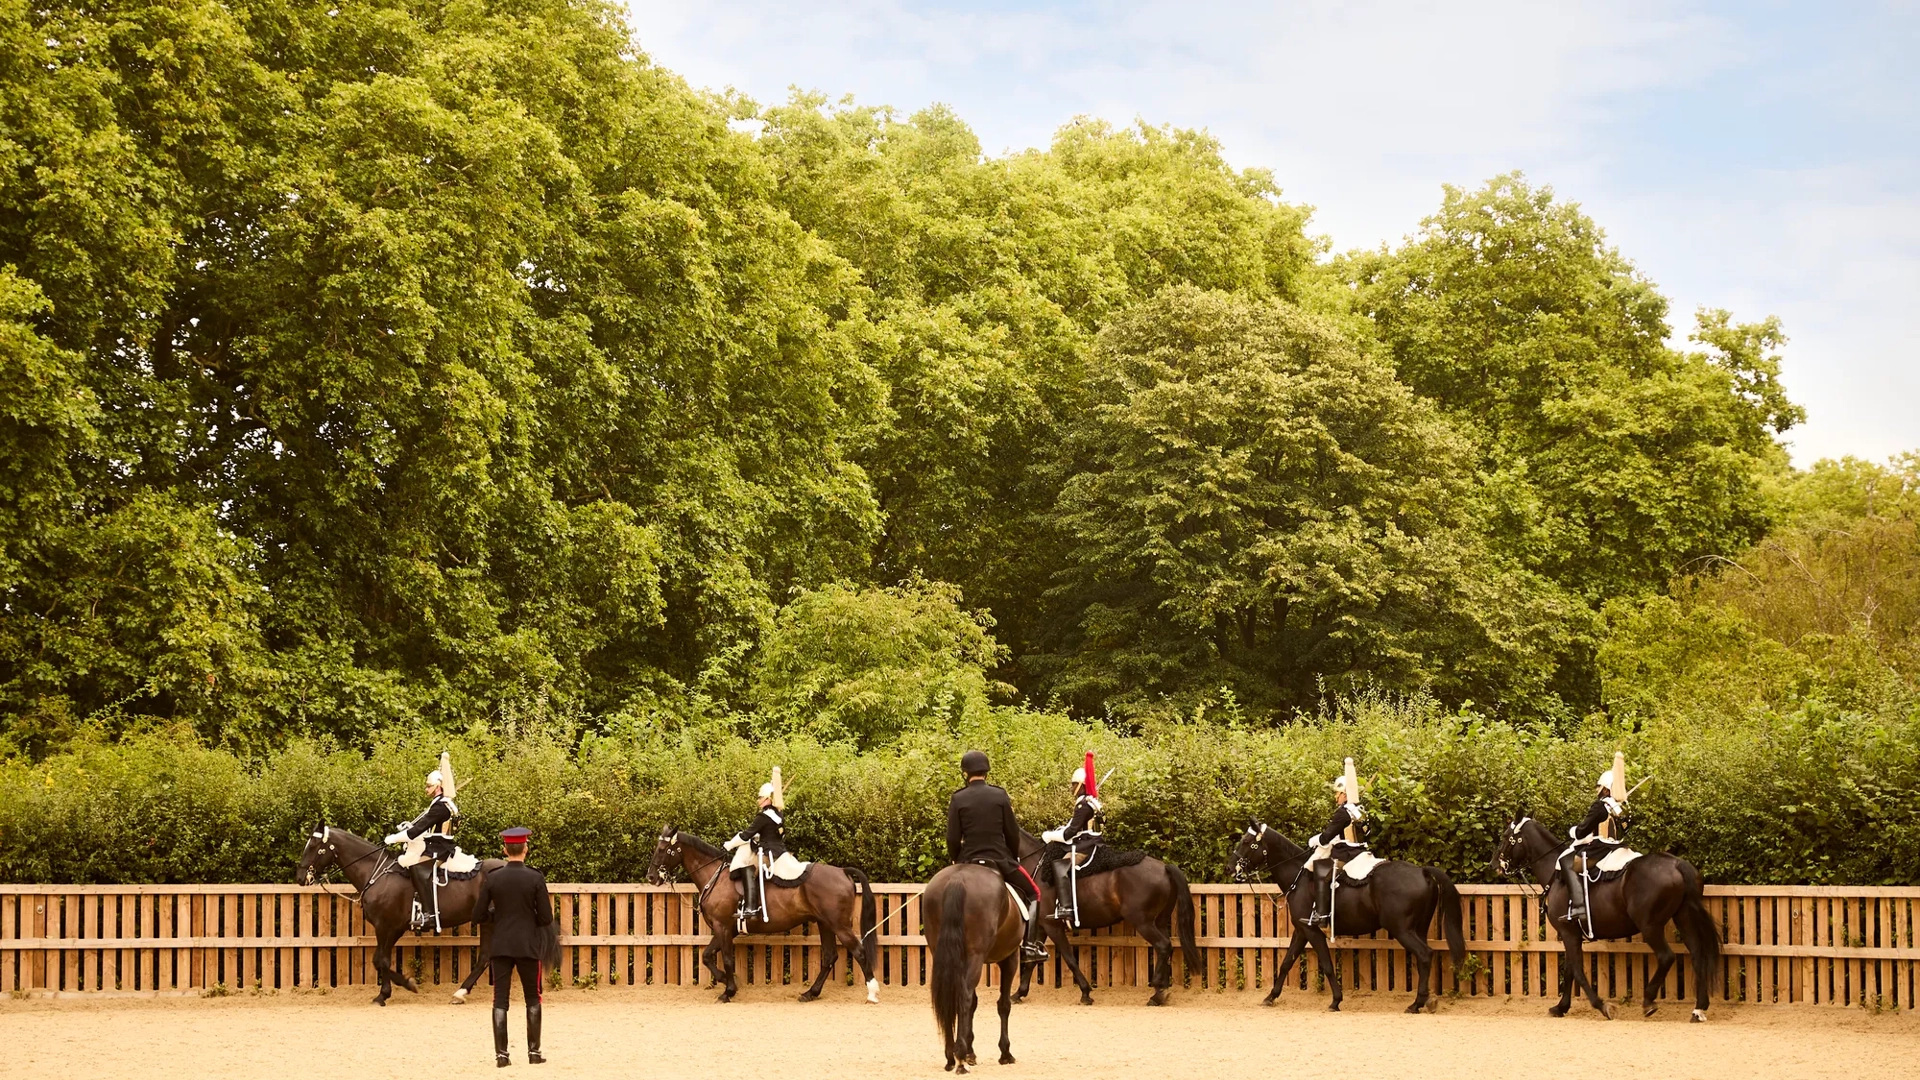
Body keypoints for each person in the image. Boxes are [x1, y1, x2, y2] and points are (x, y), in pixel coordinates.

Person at [945, 749, 1047, 962]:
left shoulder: (958, 798)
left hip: (968, 860)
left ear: (965, 773)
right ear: (986, 772)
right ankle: (1030, 947)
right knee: (1034, 893)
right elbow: (1012, 832)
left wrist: (956, 859)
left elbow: (953, 838)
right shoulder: (999, 795)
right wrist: (1013, 856)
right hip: (999, 859)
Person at [475, 826, 552, 1068]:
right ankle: (534, 1053)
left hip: (501, 946)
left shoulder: (493, 878)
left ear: (504, 849)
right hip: (528, 944)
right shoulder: (535, 878)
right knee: (533, 997)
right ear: (525, 849)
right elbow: (547, 918)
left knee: (500, 1000)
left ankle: (502, 1056)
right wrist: (530, 920)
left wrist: (494, 916)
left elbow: (477, 915)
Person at [385, 767, 458, 931]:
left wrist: (395, 838)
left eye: (428, 786)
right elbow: (426, 827)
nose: (426, 789)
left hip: (439, 848)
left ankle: (430, 915)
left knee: (418, 869)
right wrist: (410, 828)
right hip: (436, 844)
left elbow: (417, 831)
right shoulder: (441, 804)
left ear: (438, 787)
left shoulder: (441, 807)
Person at [1039, 756, 1104, 923]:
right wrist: (1060, 830)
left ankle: (1066, 908)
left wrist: (1049, 835)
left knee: (1060, 866)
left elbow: (1070, 833)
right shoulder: (1089, 802)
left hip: (1085, 845)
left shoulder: (1084, 805)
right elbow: (1073, 827)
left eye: (1074, 784)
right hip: (1087, 840)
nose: (1071, 787)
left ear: (1081, 785)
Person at [1560, 771, 1625, 925]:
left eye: (1600, 788)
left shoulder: (1600, 806)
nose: (1598, 791)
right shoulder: (1621, 808)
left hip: (1600, 848)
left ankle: (1579, 907)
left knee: (1567, 862)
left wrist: (1573, 831)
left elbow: (1582, 830)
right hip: (1618, 846)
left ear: (1606, 789)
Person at [1302, 775, 1368, 927]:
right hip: (1361, 851)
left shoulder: (1342, 812)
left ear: (1344, 795)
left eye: (1337, 794)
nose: (1335, 797)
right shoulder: (1360, 811)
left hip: (1345, 852)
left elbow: (1326, 838)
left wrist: (1314, 840)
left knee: (1321, 871)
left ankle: (1321, 914)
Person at [723, 781, 792, 927]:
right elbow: (773, 834)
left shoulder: (763, 817)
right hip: (780, 851)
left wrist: (730, 845)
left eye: (761, 797)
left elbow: (745, 835)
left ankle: (751, 907)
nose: (758, 800)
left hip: (768, 854)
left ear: (768, 799)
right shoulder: (779, 814)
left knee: (747, 867)